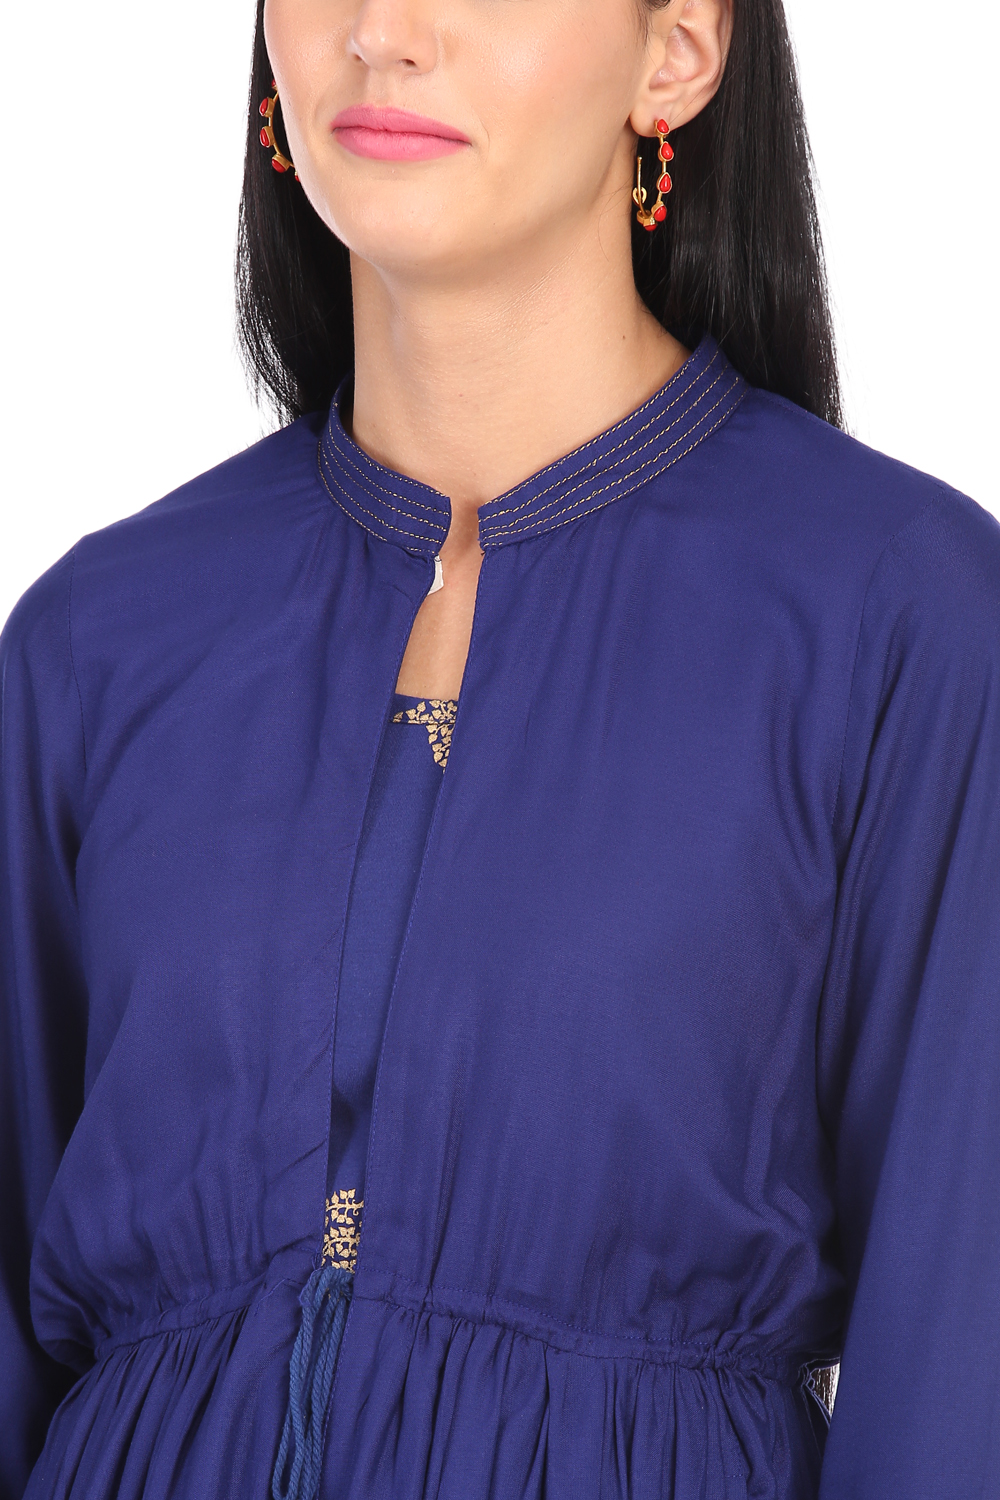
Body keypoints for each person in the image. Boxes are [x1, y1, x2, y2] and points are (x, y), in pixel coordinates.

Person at [2, 0, 998, 1495]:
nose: (383, 31)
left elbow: (960, 1365)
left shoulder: (895, 614)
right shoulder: (97, 637)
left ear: (677, 50)